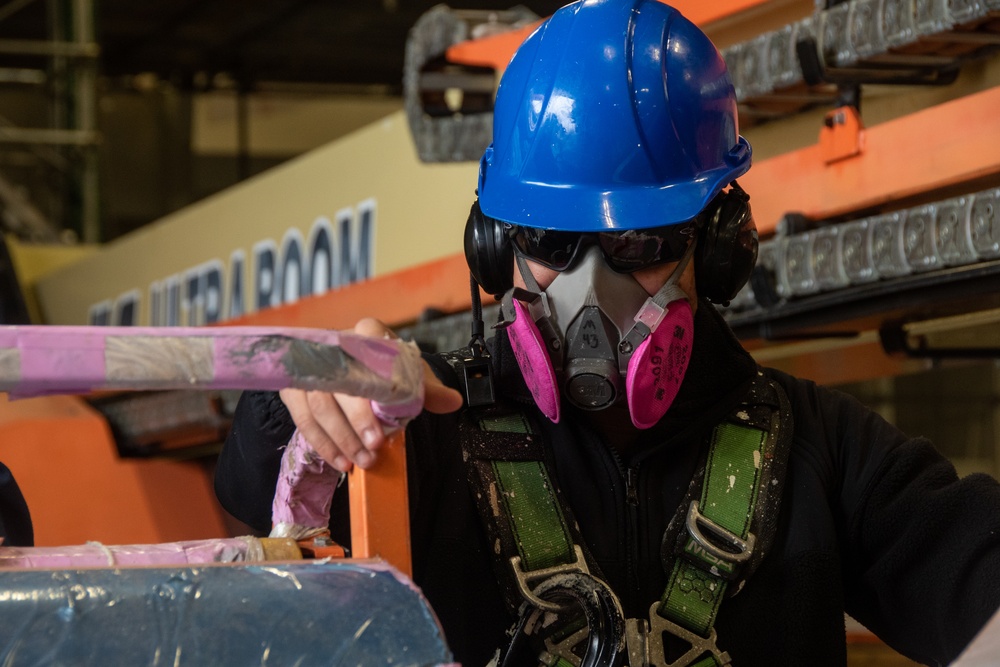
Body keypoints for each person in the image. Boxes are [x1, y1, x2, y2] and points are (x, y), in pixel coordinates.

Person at [214, 0, 1000, 664]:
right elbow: (254, 487)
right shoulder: (426, 432)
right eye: (550, 243)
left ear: (720, 244)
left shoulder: (819, 453)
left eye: (643, 245)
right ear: (496, 246)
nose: (594, 291)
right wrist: (314, 396)